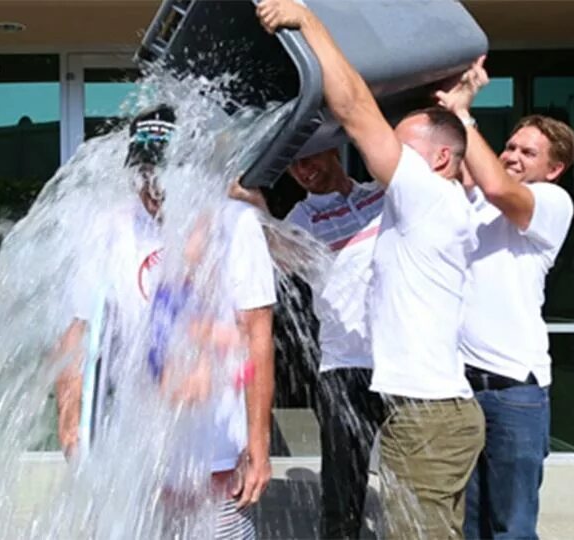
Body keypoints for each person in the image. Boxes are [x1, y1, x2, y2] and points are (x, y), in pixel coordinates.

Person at [257, 2, 485, 538]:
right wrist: (464, 103)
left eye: (404, 151)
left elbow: (358, 109)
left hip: (426, 414)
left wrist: (306, 20)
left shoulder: (422, 199)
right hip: (417, 402)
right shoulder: (428, 205)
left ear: (437, 163)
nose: (389, 158)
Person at [53, 104, 277, 539]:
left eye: (165, 170)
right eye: (144, 171)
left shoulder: (235, 224)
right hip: (137, 445)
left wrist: (259, 442)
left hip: (215, 445)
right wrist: (69, 418)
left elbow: (257, 335)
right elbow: (77, 332)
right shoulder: (107, 229)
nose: (153, 184)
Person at [436, 58, 574, 539]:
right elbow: (467, 173)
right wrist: (458, 91)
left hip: (516, 393)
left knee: (512, 528)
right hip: (463, 390)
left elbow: (494, 184)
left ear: (553, 169)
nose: (513, 155)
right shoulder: (475, 201)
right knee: (469, 525)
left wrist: (465, 113)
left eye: (528, 153)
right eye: (511, 146)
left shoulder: (552, 205)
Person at [232, 146, 385, 538]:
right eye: (295, 165)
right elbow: (288, 257)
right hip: (343, 364)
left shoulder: (379, 195)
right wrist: (257, 211)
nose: (303, 170)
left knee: (413, 474)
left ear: (334, 150)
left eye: (311, 158)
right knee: (343, 484)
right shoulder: (303, 216)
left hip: (401, 359)